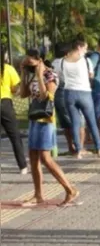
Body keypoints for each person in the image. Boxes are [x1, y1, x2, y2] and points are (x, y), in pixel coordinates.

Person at [20, 49, 79, 206]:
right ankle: (38, 194)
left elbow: (46, 96)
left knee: (46, 158)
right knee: (33, 157)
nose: (28, 63)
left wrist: (40, 75)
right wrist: (23, 73)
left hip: (45, 121)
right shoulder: (32, 74)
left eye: (30, 61)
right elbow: (23, 94)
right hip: (34, 119)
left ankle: (70, 189)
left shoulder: (50, 75)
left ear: (39, 60)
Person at [55, 36, 100, 159]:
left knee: (75, 123)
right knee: (92, 122)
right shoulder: (85, 61)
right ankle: (99, 149)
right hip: (84, 93)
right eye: (85, 48)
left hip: (68, 93)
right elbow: (91, 75)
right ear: (79, 47)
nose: (85, 51)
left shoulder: (62, 61)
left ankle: (78, 151)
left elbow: (60, 76)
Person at [51, 43, 84, 154]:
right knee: (76, 121)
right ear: (66, 53)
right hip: (67, 91)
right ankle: (79, 148)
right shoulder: (66, 63)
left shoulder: (53, 63)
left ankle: (71, 147)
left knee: (65, 123)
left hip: (56, 94)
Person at [0, 45, 28, 174]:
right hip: (5, 103)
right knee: (14, 136)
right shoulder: (9, 69)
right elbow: (15, 89)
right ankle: (22, 166)